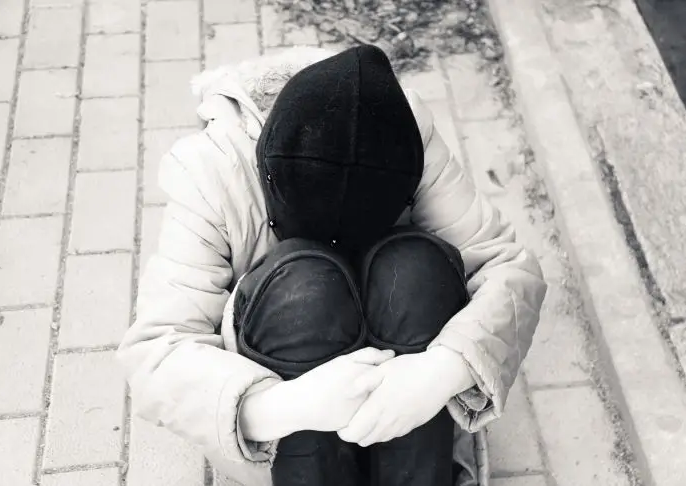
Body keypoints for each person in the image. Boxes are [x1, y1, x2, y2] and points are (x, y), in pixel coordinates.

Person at [117, 45, 547, 486]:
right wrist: (286, 406)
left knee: (414, 268)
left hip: (399, 374)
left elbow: (505, 266)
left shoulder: (401, 127)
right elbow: (157, 351)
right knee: (305, 285)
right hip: (289, 385)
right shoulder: (209, 171)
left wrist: (439, 373)